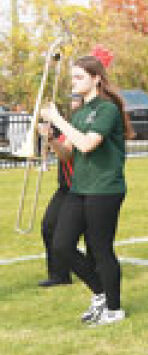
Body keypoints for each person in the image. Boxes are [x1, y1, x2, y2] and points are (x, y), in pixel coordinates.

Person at [40, 52, 133, 326]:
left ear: (96, 79)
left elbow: (87, 145)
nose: (74, 82)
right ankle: (100, 293)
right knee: (61, 245)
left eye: (79, 77)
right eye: (73, 77)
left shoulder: (107, 109)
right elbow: (68, 153)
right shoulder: (80, 113)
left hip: (105, 189)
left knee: (101, 249)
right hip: (79, 188)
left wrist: (58, 120)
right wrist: (52, 140)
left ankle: (114, 309)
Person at [35, 96, 80, 288]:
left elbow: (66, 154)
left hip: (82, 188)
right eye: (73, 98)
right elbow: (56, 151)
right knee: (49, 226)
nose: (73, 101)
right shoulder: (67, 126)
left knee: (87, 237)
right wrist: (48, 138)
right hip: (65, 187)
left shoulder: (81, 126)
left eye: (77, 98)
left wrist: (53, 140)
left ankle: (96, 271)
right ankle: (60, 275)